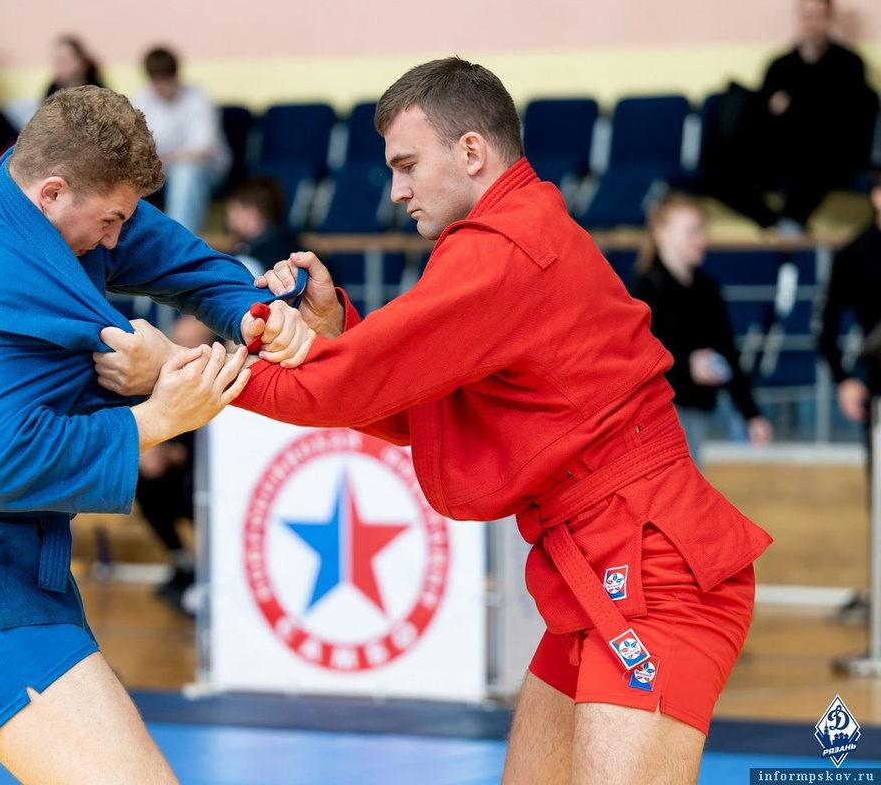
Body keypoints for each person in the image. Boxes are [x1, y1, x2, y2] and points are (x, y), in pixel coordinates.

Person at [202, 58, 771, 783]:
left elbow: (345, 386)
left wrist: (189, 377)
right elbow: (419, 400)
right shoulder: (514, 229)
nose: (396, 190)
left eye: (407, 165)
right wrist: (339, 330)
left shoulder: (504, 248)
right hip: (599, 567)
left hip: (652, 570)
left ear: (471, 151)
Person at [0, 85, 312, 782]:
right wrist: (156, 418)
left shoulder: (36, 193)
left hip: (8, 554)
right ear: (52, 191)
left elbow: (181, 259)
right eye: (110, 221)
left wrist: (252, 314)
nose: (118, 239)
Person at [707, 0, 875, 232]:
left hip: (826, 154)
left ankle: (792, 220)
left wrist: (794, 108)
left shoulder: (848, 64)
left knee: (816, 153)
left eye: (818, 15)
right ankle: (775, 223)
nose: (811, 22)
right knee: (719, 167)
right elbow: (765, 120)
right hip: (782, 151)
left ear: (829, 19)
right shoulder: (779, 66)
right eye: (805, 15)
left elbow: (844, 120)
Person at [627, 193, 773, 467]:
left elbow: (728, 352)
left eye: (702, 231)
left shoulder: (708, 291)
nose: (701, 239)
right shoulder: (642, 291)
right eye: (692, 231)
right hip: (654, 417)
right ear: (662, 234)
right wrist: (685, 366)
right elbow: (635, 358)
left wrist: (752, 414)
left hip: (695, 413)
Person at [136, 315, 217, 614]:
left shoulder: (226, 380)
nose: (183, 357)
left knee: (198, 481)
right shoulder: (167, 382)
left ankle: (213, 571)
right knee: (141, 478)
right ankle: (184, 562)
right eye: (178, 347)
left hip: (213, 480)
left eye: (191, 349)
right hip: (181, 477)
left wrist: (173, 454)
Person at [132, 47, 228, 234]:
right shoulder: (142, 98)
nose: (160, 88)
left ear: (175, 76)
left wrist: (162, 157)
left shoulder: (198, 97)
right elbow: (136, 147)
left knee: (186, 172)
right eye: (155, 81)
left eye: (165, 81)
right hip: (159, 169)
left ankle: (180, 238)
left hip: (206, 170)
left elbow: (202, 152)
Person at [820, 171, 881, 462]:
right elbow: (825, 326)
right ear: (877, 197)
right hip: (877, 387)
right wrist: (843, 380)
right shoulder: (854, 255)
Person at [225, 175, 299, 276]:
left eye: (233, 212)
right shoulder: (286, 246)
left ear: (251, 214)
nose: (229, 222)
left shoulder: (252, 260)